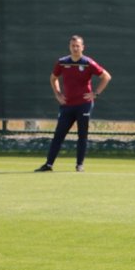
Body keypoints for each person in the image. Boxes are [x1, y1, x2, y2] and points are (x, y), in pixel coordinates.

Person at [35, 35, 111, 172]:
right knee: (59, 135)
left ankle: (79, 165)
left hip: (84, 104)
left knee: (82, 135)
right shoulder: (62, 62)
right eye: (72, 46)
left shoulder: (88, 62)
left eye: (77, 46)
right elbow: (53, 78)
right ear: (69, 47)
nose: (75, 48)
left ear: (83, 47)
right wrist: (57, 94)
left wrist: (96, 93)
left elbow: (106, 76)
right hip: (67, 105)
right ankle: (48, 164)